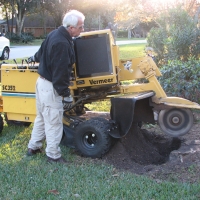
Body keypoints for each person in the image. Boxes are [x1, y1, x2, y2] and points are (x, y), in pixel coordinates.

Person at [27, 10, 85, 164]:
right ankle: (53, 156)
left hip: (42, 83)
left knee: (42, 117)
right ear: (71, 27)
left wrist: (33, 58)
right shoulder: (62, 43)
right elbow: (61, 74)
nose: (82, 30)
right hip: (51, 86)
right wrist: (65, 95)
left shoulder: (55, 34)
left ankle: (33, 147)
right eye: (81, 27)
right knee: (53, 121)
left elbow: (40, 53)